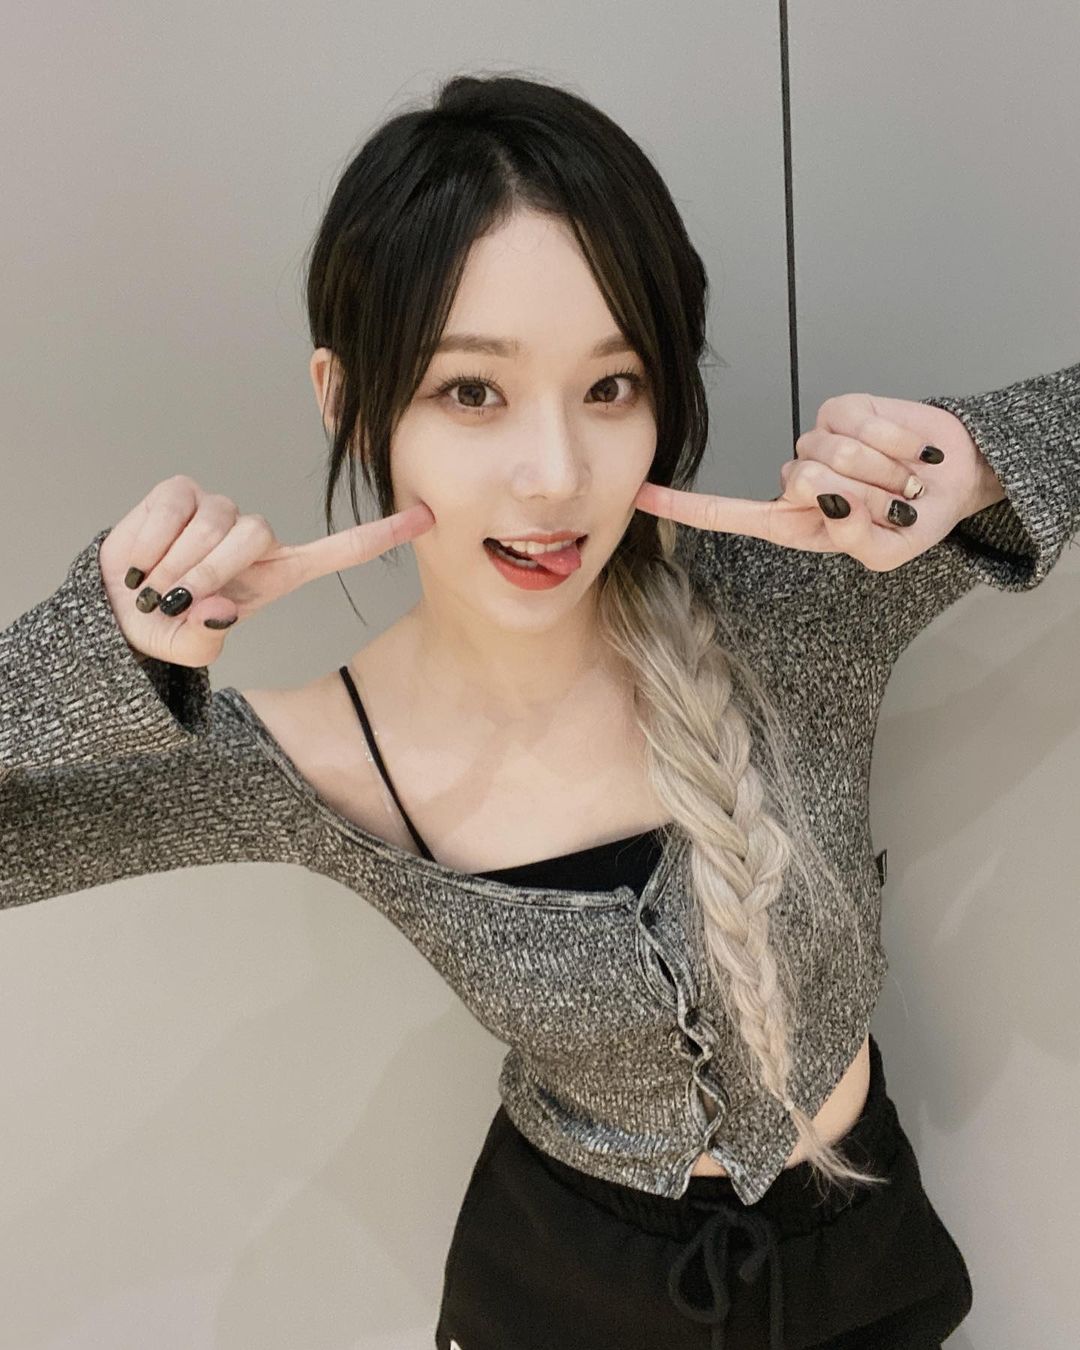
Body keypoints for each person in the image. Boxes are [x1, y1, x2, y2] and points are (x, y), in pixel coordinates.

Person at [3, 71, 1077, 1349]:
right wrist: (96, 646)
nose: (557, 474)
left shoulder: (802, 605)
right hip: (558, 1293)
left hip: (865, 1266)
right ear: (348, 399)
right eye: (473, 391)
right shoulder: (309, 759)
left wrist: (982, 459)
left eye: (611, 387)